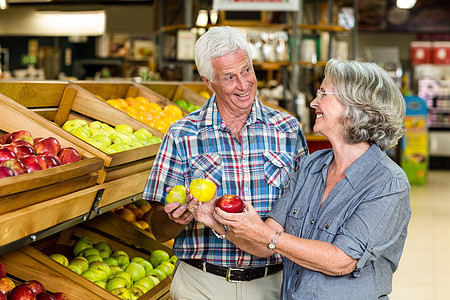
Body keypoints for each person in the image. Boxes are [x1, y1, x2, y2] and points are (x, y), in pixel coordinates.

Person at [189, 58, 412, 299]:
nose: (313, 102)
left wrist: (265, 235)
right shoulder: (311, 167)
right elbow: (265, 242)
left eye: (323, 93)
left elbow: (341, 261)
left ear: (355, 108)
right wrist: (214, 220)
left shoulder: (388, 183)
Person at [142, 26, 308, 300]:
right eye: (229, 77)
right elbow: (158, 229)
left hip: (273, 283)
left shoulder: (287, 129)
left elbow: (305, 209)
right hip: (202, 283)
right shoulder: (182, 134)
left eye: (246, 70)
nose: (243, 85)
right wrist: (176, 218)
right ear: (209, 81)